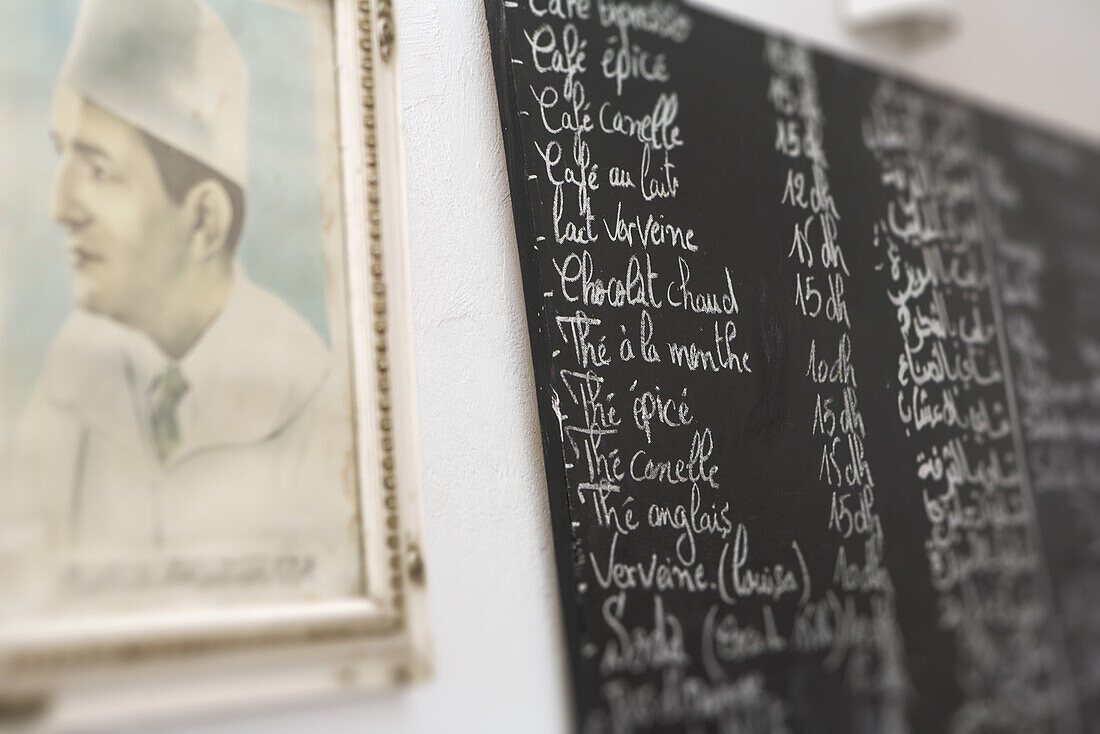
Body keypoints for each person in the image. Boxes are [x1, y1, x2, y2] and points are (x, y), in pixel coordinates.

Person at [1, 0, 359, 610]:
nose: (61, 206)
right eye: (63, 156)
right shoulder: (67, 381)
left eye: (99, 169)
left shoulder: (309, 398)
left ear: (204, 221)